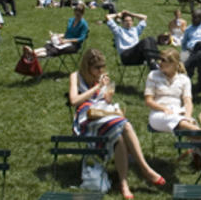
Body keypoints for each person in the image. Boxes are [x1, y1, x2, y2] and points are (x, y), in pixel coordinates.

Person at [69, 49, 164, 199]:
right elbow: (74, 101)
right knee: (124, 126)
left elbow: (106, 101)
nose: (101, 70)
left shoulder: (102, 76)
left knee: (119, 137)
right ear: (87, 67)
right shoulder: (76, 76)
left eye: (103, 67)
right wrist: (96, 87)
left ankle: (124, 183)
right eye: (97, 68)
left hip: (104, 113)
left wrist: (108, 94)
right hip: (87, 117)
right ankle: (145, 169)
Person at [144, 49, 201, 134]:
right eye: (159, 59)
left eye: (163, 60)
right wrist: (164, 109)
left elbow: (188, 102)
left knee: (188, 122)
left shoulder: (184, 79)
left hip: (177, 111)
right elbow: (148, 101)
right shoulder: (153, 75)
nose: (160, 62)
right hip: (159, 113)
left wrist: (188, 116)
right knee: (182, 123)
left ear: (174, 63)